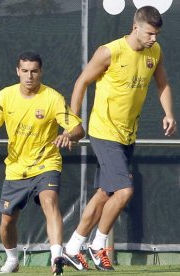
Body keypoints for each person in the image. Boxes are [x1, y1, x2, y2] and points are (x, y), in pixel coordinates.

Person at [63, 6, 176, 271]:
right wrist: (72, 121)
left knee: (105, 193)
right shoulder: (109, 51)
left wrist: (169, 113)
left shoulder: (154, 52)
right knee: (124, 191)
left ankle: (71, 247)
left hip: (128, 133)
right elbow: (81, 82)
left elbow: (163, 84)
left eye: (157, 33)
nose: (153, 38)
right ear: (135, 27)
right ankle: (97, 244)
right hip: (104, 131)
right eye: (150, 33)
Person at [0, 52, 85, 275]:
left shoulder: (52, 97)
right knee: (6, 223)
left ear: (40, 72)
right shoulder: (6, 96)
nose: (29, 76)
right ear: (18, 72)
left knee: (49, 201)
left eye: (34, 71)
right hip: (16, 168)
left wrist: (68, 136)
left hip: (46, 163)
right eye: (25, 71)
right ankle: (12, 260)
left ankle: (56, 258)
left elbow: (79, 129)